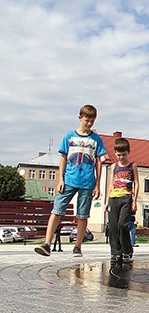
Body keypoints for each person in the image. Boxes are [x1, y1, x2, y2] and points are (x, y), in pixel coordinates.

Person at [35, 105, 107, 257]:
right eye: (87, 120)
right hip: (69, 179)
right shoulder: (69, 136)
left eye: (92, 120)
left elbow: (99, 162)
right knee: (57, 210)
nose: (89, 123)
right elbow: (63, 158)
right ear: (80, 117)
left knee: (83, 215)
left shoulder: (96, 140)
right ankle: (47, 244)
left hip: (87, 181)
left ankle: (77, 246)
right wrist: (60, 179)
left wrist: (98, 184)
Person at [105, 137, 139, 265]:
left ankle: (127, 250)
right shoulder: (114, 167)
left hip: (126, 197)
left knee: (122, 224)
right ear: (115, 153)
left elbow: (136, 182)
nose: (121, 157)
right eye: (118, 155)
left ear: (128, 152)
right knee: (113, 226)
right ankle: (115, 252)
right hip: (114, 198)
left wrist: (134, 200)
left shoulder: (132, 166)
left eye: (123, 155)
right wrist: (107, 201)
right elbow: (111, 184)